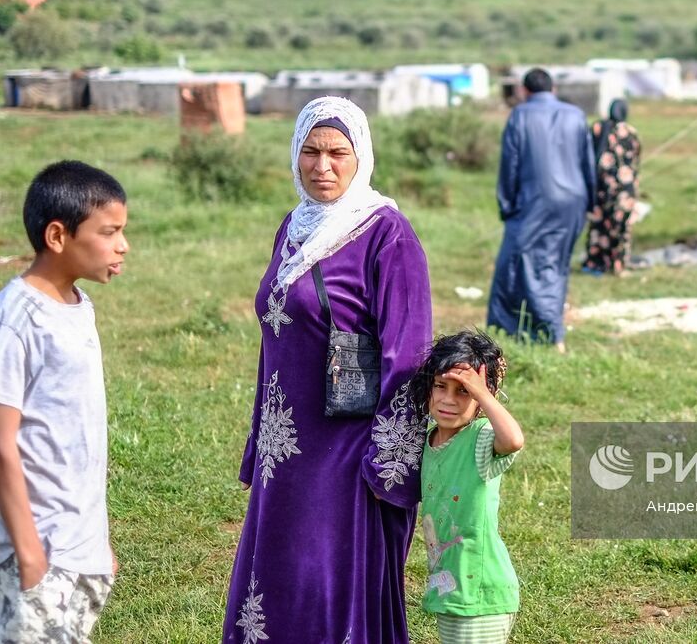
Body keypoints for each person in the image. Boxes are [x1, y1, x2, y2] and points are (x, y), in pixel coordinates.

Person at [223, 96, 432, 644]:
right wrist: (258, 445)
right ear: (295, 155)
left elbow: (407, 356)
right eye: (311, 152)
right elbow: (278, 343)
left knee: (324, 583)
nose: (323, 166)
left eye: (338, 152)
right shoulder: (294, 227)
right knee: (276, 580)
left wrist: (390, 469)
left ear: (360, 155)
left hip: (346, 453)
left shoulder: (387, 234)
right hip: (284, 454)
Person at [0, 160, 129, 643]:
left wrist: (97, 544)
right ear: (58, 236)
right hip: (37, 546)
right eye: (109, 232)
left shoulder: (79, 307)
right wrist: (29, 552)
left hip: (79, 544)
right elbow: (0, 442)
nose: (123, 245)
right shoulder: (16, 315)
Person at [412, 331, 524, 644]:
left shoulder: (480, 437)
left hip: (481, 591)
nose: (449, 399)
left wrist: (484, 395)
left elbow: (513, 440)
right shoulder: (429, 440)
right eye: (440, 386)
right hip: (450, 587)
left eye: (463, 391)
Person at [487, 68, 596, 350]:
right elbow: (588, 163)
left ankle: (545, 332)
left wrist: (507, 205)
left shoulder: (520, 115)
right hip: (573, 202)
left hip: (535, 201)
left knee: (521, 266)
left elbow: (510, 164)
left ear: (524, 91)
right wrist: (592, 202)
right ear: (553, 88)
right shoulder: (576, 114)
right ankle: (539, 328)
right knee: (555, 265)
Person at [582, 98, 642, 275]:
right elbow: (636, 159)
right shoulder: (631, 132)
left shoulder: (599, 128)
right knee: (621, 227)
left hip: (602, 187)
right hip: (625, 188)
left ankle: (597, 261)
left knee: (600, 225)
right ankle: (618, 263)